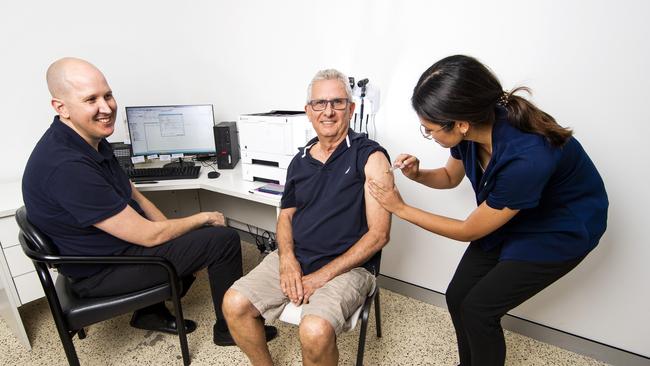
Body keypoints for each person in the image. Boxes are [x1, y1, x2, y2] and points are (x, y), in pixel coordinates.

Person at [368, 55, 608, 366]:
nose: (428, 134)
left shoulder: (528, 158)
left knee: (480, 310)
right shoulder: (473, 126)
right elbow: (450, 177)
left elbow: (471, 230)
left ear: (460, 124)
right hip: (514, 212)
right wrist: (418, 174)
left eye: (429, 129)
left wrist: (399, 208)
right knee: (458, 296)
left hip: (560, 227)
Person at [21, 57, 277, 346]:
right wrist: (202, 218)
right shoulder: (67, 165)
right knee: (224, 239)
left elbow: (133, 193)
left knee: (184, 233)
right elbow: (147, 235)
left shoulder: (87, 137)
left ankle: (149, 313)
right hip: (100, 272)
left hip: (112, 250)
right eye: (90, 99)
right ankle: (230, 329)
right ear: (61, 107)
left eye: (107, 95)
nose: (106, 108)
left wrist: (171, 230)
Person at [222, 69, 392, 366]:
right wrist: (287, 258)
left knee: (313, 329)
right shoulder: (299, 161)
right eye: (319, 103)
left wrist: (321, 277)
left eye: (338, 103)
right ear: (308, 111)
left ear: (351, 109)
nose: (328, 111)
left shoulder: (371, 158)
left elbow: (379, 235)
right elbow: (286, 216)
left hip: (349, 267)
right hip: (297, 256)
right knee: (233, 304)